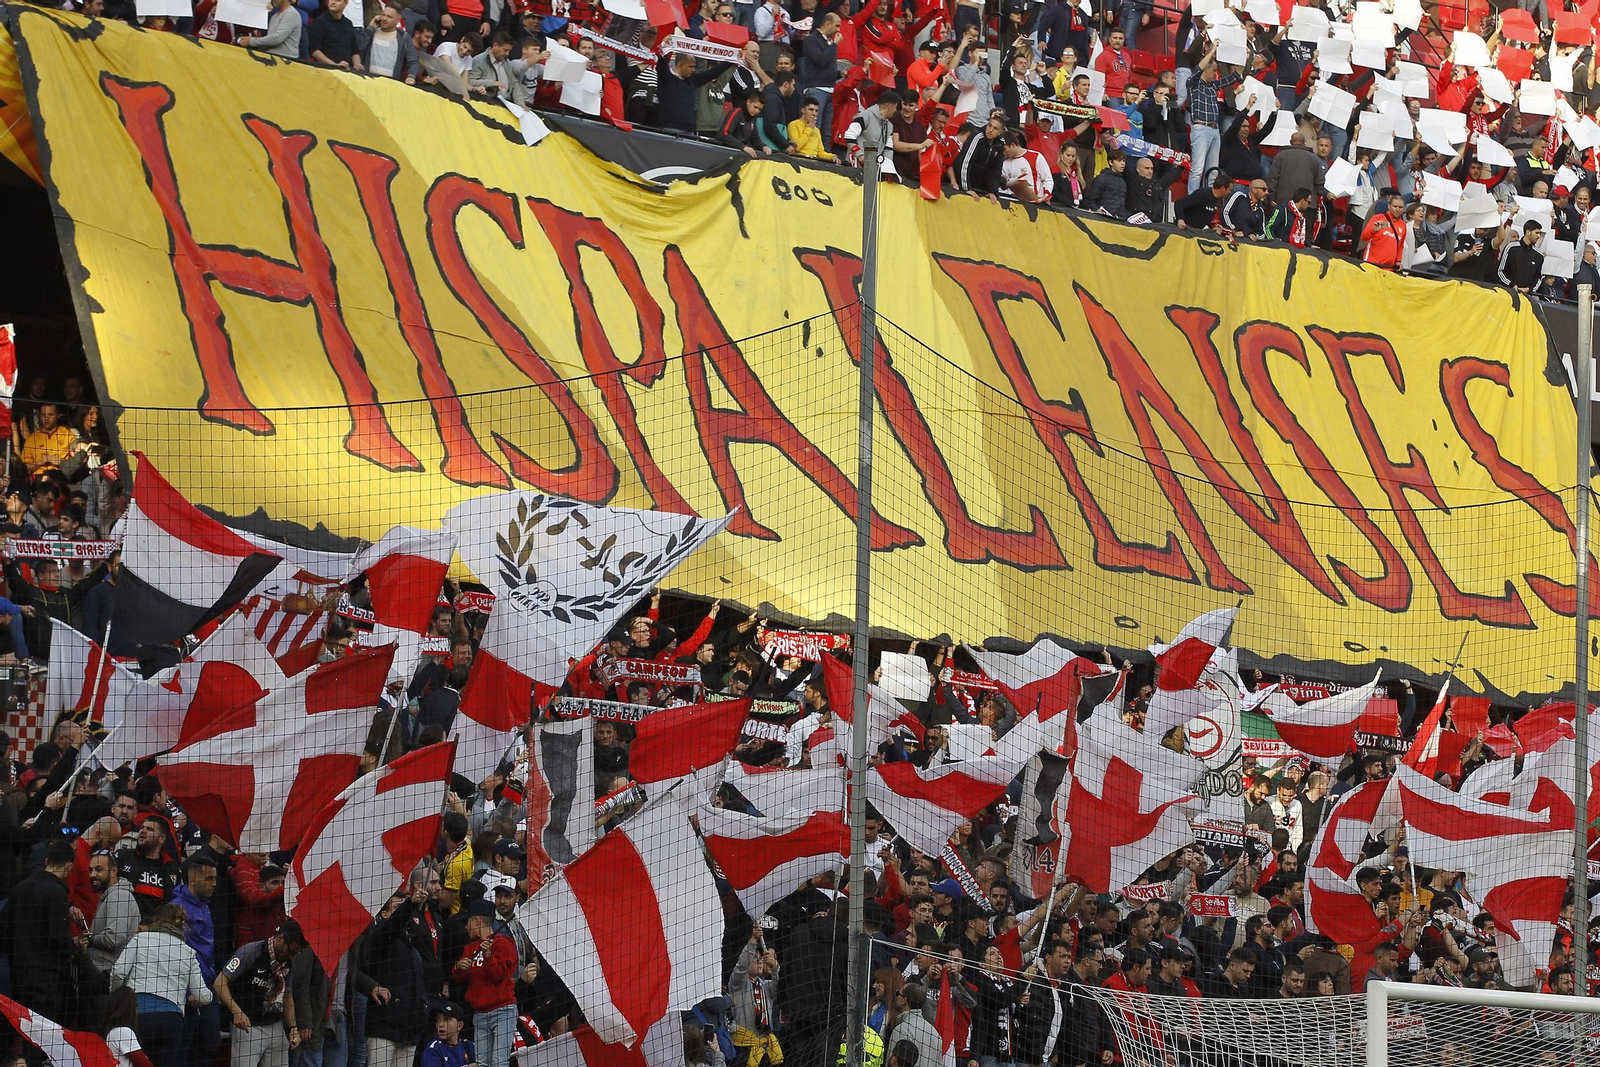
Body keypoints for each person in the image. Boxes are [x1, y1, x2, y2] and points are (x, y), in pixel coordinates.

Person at [112, 905, 213, 1067]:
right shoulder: (187, 952)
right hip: (170, 1022)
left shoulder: (140, 939)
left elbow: (118, 972)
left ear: (157, 920)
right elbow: (202, 995)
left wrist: (117, 998)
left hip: (138, 1017)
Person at [214, 921, 309, 1067]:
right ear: (280, 938)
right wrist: (236, 1012)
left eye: (296, 954)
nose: (292, 957)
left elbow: (287, 995)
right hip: (248, 1027)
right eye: (290, 952)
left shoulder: (289, 962)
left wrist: (293, 1028)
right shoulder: (251, 952)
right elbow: (219, 983)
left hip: (275, 1025)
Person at [11, 837, 81, 1022]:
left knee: (23, 1029)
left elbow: (6, 929)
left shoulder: (19, 888)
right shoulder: (57, 893)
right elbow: (57, 935)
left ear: (46, 861)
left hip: (18, 974)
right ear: (68, 866)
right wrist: (75, 951)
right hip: (46, 977)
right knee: (43, 1034)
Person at [454, 901, 518, 1067]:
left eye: (467, 922)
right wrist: (459, 966)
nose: (466, 927)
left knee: (499, 1062)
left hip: (503, 1011)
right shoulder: (469, 948)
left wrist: (488, 955)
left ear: (476, 921)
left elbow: (498, 975)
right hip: (480, 1014)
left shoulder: (504, 944)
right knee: (482, 1064)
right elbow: (459, 978)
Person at [89, 849, 140, 985]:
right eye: (91, 870)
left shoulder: (119, 896)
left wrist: (89, 938)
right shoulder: (109, 895)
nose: (92, 874)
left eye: (98, 869)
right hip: (105, 974)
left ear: (113, 871)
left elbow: (114, 938)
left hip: (109, 977)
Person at [100, 986, 154, 1067]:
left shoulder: (113, 1031)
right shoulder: (123, 1032)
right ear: (129, 1008)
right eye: (135, 1005)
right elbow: (143, 1063)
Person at [308, 0, 364, 70]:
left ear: (345, 3)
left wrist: (357, 64)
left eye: (337, 0)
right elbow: (314, 51)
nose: (333, 2)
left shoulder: (348, 23)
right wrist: (334, 65)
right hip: (324, 70)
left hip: (346, 71)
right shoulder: (319, 22)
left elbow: (354, 49)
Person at [237, 0, 301, 56]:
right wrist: (251, 39)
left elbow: (277, 38)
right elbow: (271, 38)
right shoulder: (274, 17)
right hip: (272, 57)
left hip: (286, 59)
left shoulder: (291, 14)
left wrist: (251, 41)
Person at [420, 1002, 475, 1067]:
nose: (440, 1024)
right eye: (438, 1020)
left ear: (459, 1025)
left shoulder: (469, 1046)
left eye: (446, 1020)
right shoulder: (433, 1049)